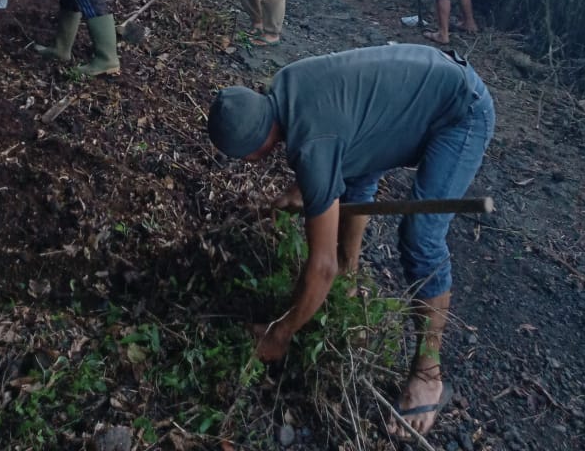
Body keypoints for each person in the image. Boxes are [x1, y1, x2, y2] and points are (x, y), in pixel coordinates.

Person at [208, 43, 495, 440]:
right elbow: (337, 137)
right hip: (427, 79)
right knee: (356, 177)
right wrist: (307, 187)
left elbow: (318, 265)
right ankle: (352, 273)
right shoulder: (285, 84)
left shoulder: (312, 145)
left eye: (245, 156)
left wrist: (281, 332)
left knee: (420, 236)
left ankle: (428, 374)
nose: (248, 162)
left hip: (460, 109)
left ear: (257, 146)